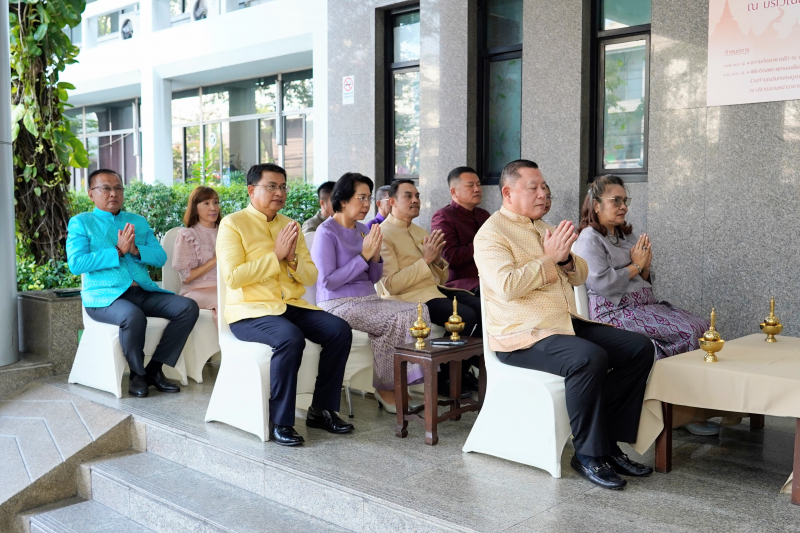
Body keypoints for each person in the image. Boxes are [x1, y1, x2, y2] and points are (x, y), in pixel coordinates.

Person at [474, 160, 654, 491]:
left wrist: (566, 258)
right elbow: (507, 286)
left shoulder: (546, 227)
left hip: (562, 325)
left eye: (545, 188)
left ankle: (609, 444)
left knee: (639, 348)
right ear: (508, 192)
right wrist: (548, 259)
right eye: (534, 188)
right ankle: (587, 453)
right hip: (521, 336)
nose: (543, 194)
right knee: (589, 357)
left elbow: (581, 274)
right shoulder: (491, 234)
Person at [573, 174, 739, 435]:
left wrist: (645, 268)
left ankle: (694, 409)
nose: (623, 206)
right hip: (614, 313)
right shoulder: (589, 238)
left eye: (625, 200)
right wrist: (636, 265)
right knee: (688, 332)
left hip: (643, 306)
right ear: (596, 205)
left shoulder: (626, 236)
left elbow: (642, 279)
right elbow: (601, 283)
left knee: (703, 327)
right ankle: (676, 414)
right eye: (615, 200)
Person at [217, 163, 354, 446]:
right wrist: (275, 256)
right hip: (250, 311)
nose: (279, 192)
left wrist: (291, 260)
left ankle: (322, 409)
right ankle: (281, 421)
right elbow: (233, 277)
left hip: (289, 305)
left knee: (339, 330)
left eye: (282, 187)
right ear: (252, 190)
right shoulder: (233, 224)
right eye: (272, 186)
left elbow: (310, 276)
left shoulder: (290, 225)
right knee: (290, 339)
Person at [66, 169, 199, 398]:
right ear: (91, 194)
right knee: (132, 315)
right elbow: (77, 264)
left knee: (187, 307)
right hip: (104, 298)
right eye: (106, 188)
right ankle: (137, 374)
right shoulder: (81, 223)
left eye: (118, 188)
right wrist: (117, 251)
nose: (113, 193)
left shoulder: (137, 222)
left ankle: (154, 370)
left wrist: (135, 250)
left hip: (142, 292)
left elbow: (160, 258)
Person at [312, 173, 430, 413]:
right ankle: (386, 389)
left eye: (368, 197)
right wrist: (364, 256)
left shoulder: (363, 230)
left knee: (419, 310)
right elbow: (327, 281)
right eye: (361, 198)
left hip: (368, 299)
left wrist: (374, 258)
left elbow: (374, 279)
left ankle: (402, 385)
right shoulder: (326, 232)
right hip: (336, 303)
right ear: (343, 200)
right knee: (396, 317)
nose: (367, 204)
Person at [379, 179, 482, 395]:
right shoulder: (383, 234)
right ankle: (444, 377)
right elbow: (391, 286)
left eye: (417, 196)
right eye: (409, 196)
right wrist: (426, 261)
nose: (416, 200)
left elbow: (440, 279)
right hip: (410, 298)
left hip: (433, 291)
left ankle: (461, 373)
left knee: (483, 309)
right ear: (392, 201)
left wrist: (435, 261)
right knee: (465, 316)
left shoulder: (419, 230)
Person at [430, 167, 490, 293]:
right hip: (462, 283)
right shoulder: (443, 216)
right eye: (470, 186)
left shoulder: (483, 215)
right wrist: (484, 244)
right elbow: (450, 258)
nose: (477, 189)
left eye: (479, 185)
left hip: (489, 276)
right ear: (454, 192)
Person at [172, 186, 220, 323]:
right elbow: (186, 277)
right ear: (195, 207)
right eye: (206, 203)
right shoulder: (188, 235)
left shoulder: (227, 232)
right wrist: (216, 259)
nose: (213, 208)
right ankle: (228, 342)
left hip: (223, 288)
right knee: (227, 299)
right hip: (195, 292)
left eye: (216, 202)